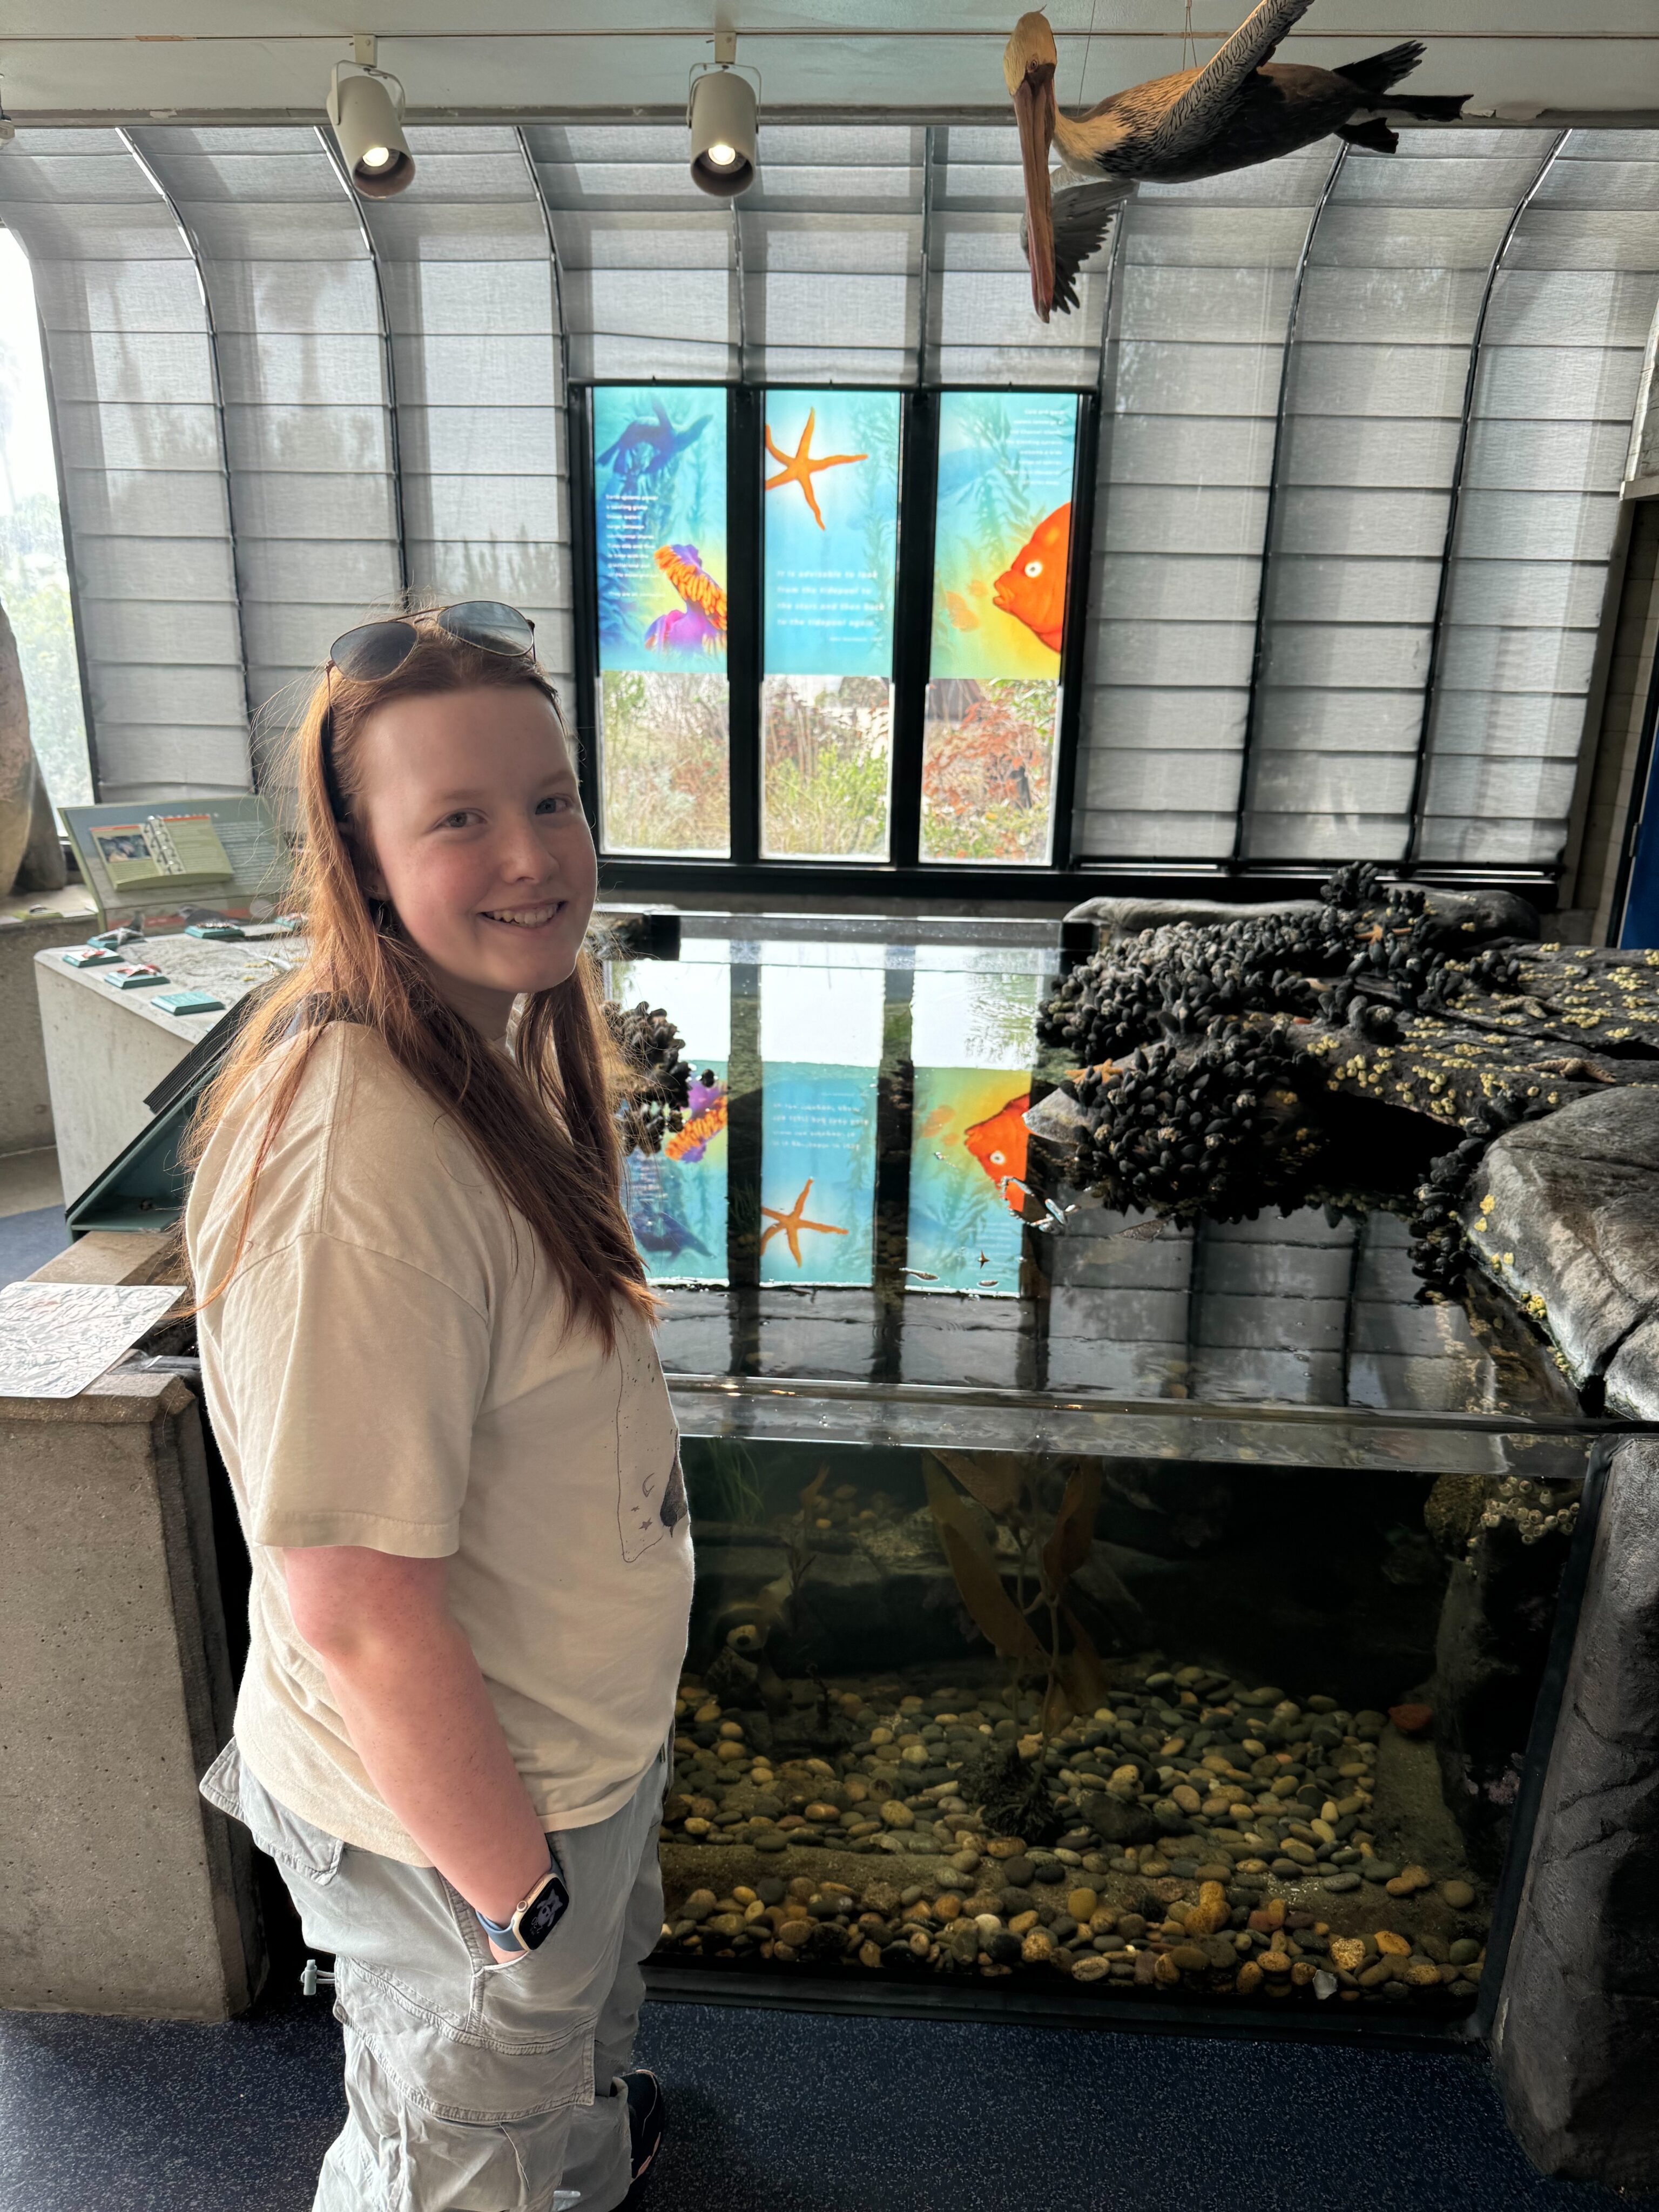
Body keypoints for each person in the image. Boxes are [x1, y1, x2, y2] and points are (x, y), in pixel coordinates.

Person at [185, 602, 692, 2210]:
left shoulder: (494, 1033)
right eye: (459, 820)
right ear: (363, 857)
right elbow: (352, 1606)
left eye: (550, 799)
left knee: (553, 2082)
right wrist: (519, 1906)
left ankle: (581, 2160)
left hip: (566, 1751)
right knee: (450, 2148)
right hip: (466, 1833)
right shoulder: (356, 1160)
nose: (534, 856)